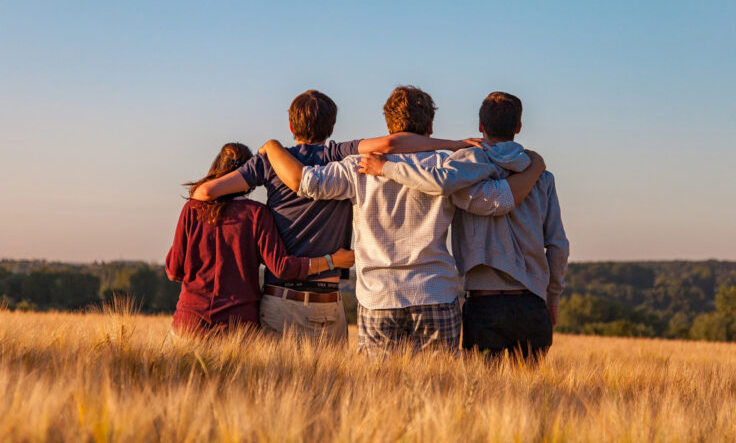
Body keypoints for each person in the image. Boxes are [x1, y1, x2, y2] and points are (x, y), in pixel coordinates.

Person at [258, 86, 546, 355]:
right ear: (430, 126)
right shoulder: (447, 167)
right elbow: (496, 201)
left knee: (379, 393)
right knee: (440, 392)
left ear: (388, 126)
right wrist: (534, 168)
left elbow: (306, 183)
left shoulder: (356, 167)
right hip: (435, 292)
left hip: (378, 297)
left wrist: (272, 147)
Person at [190, 90, 477, 342]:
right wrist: (455, 145)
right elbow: (391, 145)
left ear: (291, 125)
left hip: (280, 299)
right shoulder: (340, 155)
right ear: (332, 126)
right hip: (328, 300)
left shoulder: (270, 161)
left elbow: (204, 193)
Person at [358, 91, 569, 360]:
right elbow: (558, 246)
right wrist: (552, 298)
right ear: (518, 127)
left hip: (484, 303)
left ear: (481, 126)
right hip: (532, 303)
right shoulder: (541, 176)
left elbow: (440, 183)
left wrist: (387, 168)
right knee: (530, 398)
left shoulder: (462, 169)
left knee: (481, 396)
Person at [165, 142, 354, 336]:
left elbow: (174, 271)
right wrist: (332, 260)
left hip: (189, 323)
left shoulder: (192, 210)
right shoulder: (257, 214)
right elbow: (282, 268)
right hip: (238, 327)